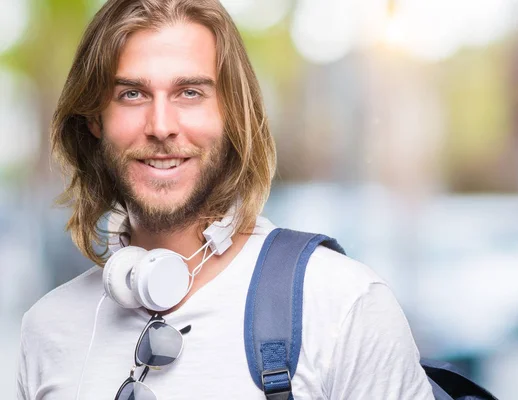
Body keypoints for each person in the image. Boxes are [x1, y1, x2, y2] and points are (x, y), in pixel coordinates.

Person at [16, 0, 434, 399]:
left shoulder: (342, 306)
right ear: (94, 119)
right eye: (132, 94)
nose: (161, 126)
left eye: (190, 93)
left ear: (232, 113)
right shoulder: (48, 331)